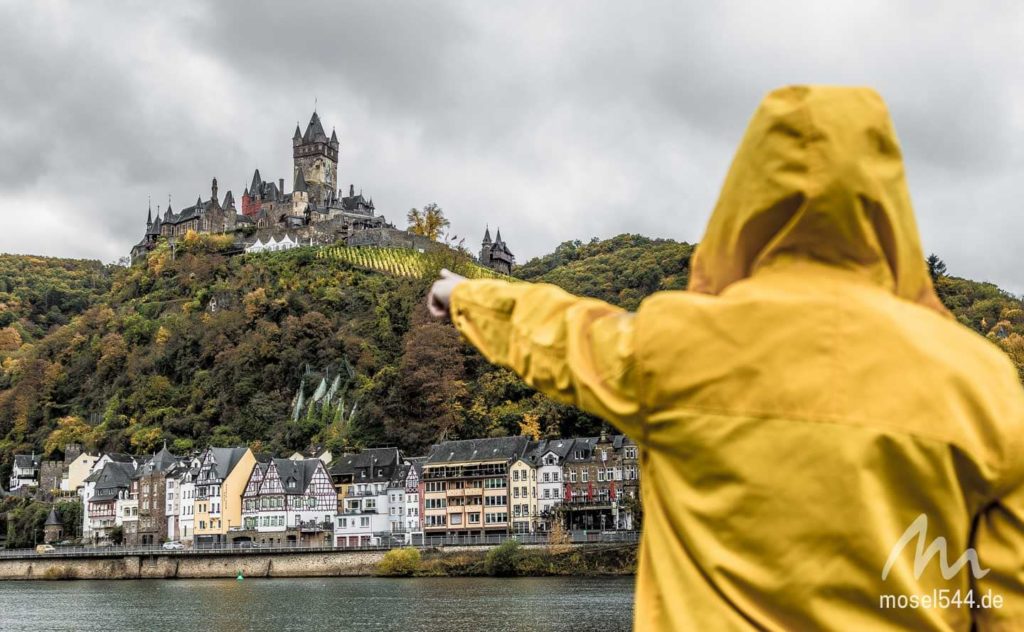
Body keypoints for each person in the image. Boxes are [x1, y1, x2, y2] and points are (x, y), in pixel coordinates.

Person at [427, 86, 1024, 631]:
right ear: (885, 203)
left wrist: (464, 295)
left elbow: (559, 332)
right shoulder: (980, 384)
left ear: (747, 203)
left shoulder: (679, 348)